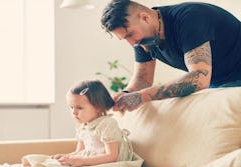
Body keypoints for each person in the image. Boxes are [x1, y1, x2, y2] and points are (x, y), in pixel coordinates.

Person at [0, 80, 143, 167]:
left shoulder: (107, 124)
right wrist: (69, 157)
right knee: (55, 161)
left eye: (79, 108)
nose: (74, 113)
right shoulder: (82, 125)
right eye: (71, 108)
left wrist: (79, 162)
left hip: (112, 163)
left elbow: (112, 156)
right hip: (90, 159)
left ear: (99, 107)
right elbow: (80, 152)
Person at [101, 0, 241, 112]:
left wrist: (143, 96)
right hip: (220, 84)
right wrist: (124, 95)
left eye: (130, 34)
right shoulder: (142, 40)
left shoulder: (190, 18)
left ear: (145, 17)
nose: (131, 43)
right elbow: (142, 79)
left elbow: (199, 78)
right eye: (125, 38)